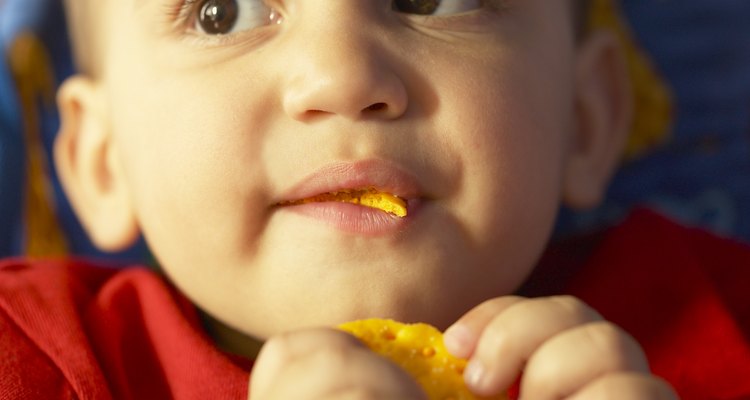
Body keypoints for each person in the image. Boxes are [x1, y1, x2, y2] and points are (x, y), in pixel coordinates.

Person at [1, 0, 748, 398]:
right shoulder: (30, 355)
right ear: (102, 161)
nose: (343, 77)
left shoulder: (720, 318)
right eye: (221, 12)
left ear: (585, 121)